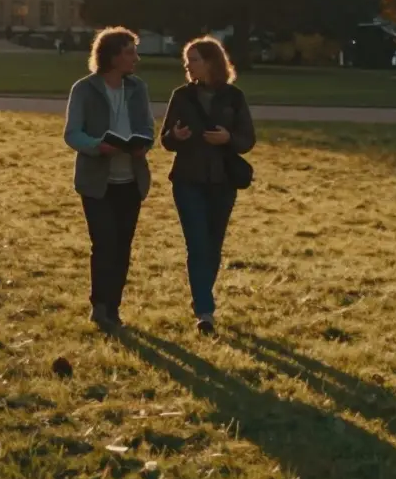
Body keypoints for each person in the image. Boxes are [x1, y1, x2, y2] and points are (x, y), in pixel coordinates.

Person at [159, 36, 256, 336]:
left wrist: (229, 139)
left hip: (222, 181)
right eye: (187, 59)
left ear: (213, 62)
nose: (188, 65)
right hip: (188, 180)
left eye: (195, 59)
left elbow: (247, 139)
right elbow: (165, 139)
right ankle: (205, 310)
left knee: (213, 246)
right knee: (197, 244)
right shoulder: (181, 96)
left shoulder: (234, 97)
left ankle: (202, 299)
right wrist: (177, 135)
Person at [63, 27, 154, 330]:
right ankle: (99, 306)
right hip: (97, 181)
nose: (135, 58)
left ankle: (113, 308)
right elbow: (73, 133)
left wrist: (144, 145)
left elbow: (148, 128)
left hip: (131, 180)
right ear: (112, 56)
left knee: (123, 245)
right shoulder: (84, 89)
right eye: (130, 52)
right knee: (104, 243)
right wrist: (96, 147)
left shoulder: (137, 88)